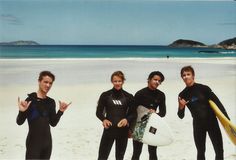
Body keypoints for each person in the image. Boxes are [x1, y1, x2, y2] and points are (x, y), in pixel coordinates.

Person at [177, 66, 230, 160]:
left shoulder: (204, 89)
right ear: (182, 77)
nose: (186, 77)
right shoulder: (182, 95)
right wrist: (181, 107)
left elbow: (218, 104)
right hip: (198, 125)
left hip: (212, 123)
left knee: (219, 150)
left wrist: (227, 121)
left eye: (188, 74)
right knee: (201, 151)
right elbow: (180, 116)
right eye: (183, 75)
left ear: (193, 76)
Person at [16, 71, 71, 160]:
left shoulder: (51, 102)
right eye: (45, 82)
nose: (48, 85)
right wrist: (21, 111)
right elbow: (19, 122)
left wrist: (60, 111)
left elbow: (53, 123)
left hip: (47, 144)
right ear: (39, 81)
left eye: (50, 83)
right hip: (33, 144)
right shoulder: (30, 100)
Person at [96, 71, 135, 160]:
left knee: (120, 157)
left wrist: (126, 120)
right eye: (115, 81)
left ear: (123, 81)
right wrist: (104, 120)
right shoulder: (105, 95)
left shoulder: (128, 96)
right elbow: (98, 112)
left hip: (123, 131)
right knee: (102, 157)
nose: (117, 83)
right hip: (109, 130)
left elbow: (133, 113)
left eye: (119, 81)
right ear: (112, 82)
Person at [131, 71, 166, 160]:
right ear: (149, 80)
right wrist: (131, 128)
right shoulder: (140, 93)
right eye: (155, 79)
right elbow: (132, 111)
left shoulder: (161, 95)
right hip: (140, 125)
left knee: (153, 151)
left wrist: (155, 114)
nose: (157, 82)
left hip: (152, 125)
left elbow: (163, 113)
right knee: (137, 152)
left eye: (159, 81)